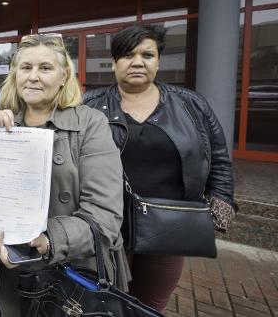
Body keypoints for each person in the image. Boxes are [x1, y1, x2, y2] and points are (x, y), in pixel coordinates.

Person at [0, 33, 127, 317]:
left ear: (64, 76)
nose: (33, 76)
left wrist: (47, 240)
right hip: (4, 271)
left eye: (45, 68)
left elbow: (105, 214)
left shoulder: (91, 123)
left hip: (69, 275)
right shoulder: (3, 121)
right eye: (25, 67)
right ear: (14, 74)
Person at [83, 25, 236, 312]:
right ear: (114, 62)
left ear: (158, 61)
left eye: (147, 55)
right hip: (108, 225)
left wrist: (220, 205)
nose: (138, 62)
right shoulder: (90, 105)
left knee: (150, 306)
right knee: (105, 304)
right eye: (128, 55)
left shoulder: (191, 105)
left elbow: (219, 158)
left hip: (169, 226)